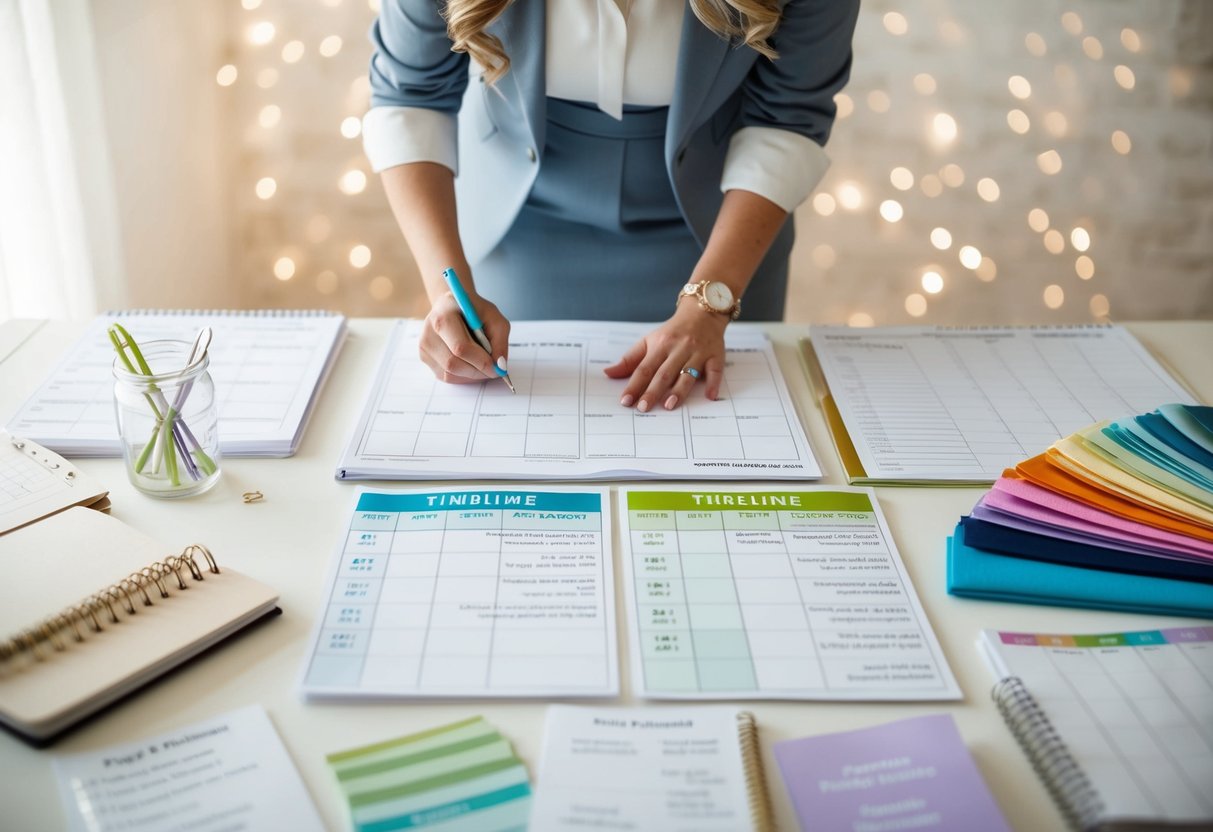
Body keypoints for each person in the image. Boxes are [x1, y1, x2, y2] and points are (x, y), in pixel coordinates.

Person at [364, 0, 859, 411]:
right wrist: (444, 288)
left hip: (722, 232)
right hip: (520, 229)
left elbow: (788, 117)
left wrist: (710, 303)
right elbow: (411, 98)